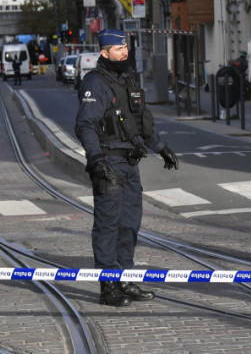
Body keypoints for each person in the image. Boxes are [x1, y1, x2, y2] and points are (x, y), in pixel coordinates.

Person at [74, 28, 180, 307]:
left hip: (130, 163)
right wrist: (96, 160)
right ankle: (108, 286)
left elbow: (142, 122)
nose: (125, 52)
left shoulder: (128, 80)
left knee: (130, 224)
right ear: (104, 52)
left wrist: (161, 148)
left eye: (125, 48)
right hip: (109, 162)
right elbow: (85, 125)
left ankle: (124, 277)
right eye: (119, 49)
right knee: (108, 225)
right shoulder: (94, 84)